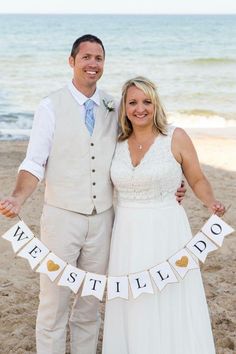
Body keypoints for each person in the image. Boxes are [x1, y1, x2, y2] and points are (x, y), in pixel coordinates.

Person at [0, 36, 186, 354]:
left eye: (99, 58)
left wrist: (172, 179)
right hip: (61, 218)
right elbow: (34, 161)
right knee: (53, 304)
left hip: (104, 221)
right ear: (71, 61)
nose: (93, 64)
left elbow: (139, 147)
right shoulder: (50, 106)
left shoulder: (115, 106)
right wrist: (18, 197)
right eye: (86, 57)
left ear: (103, 64)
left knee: (90, 304)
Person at [102, 76, 225, 354]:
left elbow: (197, 179)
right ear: (125, 108)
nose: (140, 108)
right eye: (132, 102)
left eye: (146, 101)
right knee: (132, 299)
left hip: (167, 230)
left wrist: (211, 202)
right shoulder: (116, 142)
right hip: (127, 234)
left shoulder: (175, 136)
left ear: (156, 104)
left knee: (169, 294)